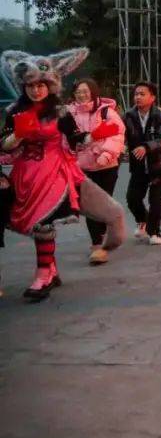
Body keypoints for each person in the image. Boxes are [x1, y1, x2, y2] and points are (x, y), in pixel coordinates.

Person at [1, 48, 125, 300]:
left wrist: (97, 135)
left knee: (108, 212)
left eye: (41, 85)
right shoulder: (14, 111)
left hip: (58, 170)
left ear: (51, 85)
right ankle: (46, 271)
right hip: (27, 174)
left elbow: (76, 139)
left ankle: (49, 270)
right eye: (31, 86)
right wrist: (17, 136)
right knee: (40, 224)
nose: (36, 90)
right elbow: (3, 144)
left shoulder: (60, 112)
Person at [68, 78, 126, 265]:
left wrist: (107, 154)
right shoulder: (69, 113)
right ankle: (96, 244)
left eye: (85, 91)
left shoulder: (106, 111)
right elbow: (64, 138)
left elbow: (118, 133)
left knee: (104, 203)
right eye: (78, 91)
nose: (82, 95)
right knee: (91, 205)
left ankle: (102, 236)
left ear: (93, 92)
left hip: (106, 166)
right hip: (81, 168)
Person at [123, 81, 161, 245]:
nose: (137, 97)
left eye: (142, 94)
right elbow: (120, 135)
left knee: (156, 201)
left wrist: (147, 147)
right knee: (132, 198)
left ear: (152, 97)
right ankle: (143, 221)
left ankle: (155, 231)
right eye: (136, 94)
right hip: (139, 167)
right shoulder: (128, 116)